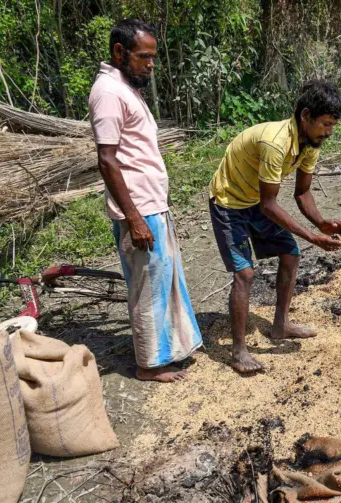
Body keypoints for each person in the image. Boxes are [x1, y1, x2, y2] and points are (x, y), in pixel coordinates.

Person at [209, 80, 341, 374]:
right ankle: (239, 351)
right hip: (228, 201)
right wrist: (312, 237)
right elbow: (269, 205)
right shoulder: (276, 142)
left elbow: (302, 193)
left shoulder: (310, 144)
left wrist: (321, 223)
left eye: (333, 126)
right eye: (326, 124)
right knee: (245, 274)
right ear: (306, 116)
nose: (329, 132)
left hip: (255, 200)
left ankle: (281, 325)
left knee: (291, 253)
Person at [88, 19, 202, 383]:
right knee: (148, 288)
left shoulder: (125, 87)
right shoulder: (108, 92)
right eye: (143, 57)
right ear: (119, 52)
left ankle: (166, 350)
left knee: (162, 279)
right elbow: (107, 160)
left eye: (153, 57)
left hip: (150, 205)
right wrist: (134, 218)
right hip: (139, 209)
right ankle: (149, 365)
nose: (151, 64)